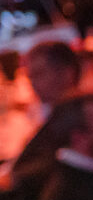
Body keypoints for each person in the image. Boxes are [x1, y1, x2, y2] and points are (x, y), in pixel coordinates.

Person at [11, 40, 82, 178]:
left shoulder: (80, 116)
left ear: (67, 72)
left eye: (39, 73)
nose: (33, 84)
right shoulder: (53, 114)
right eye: (30, 77)